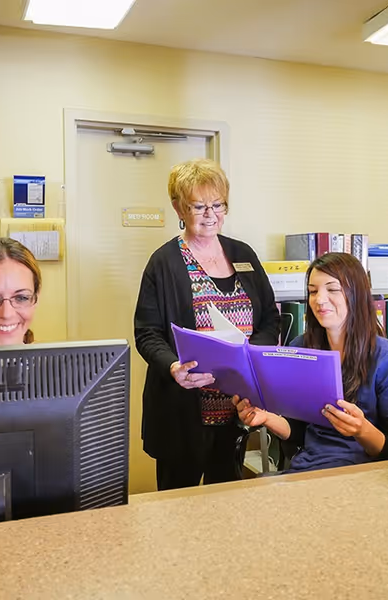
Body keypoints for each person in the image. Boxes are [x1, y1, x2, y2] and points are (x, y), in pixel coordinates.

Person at [134, 158, 280, 491]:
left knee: (226, 504)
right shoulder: (164, 263)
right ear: (178, 208)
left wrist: (249, 353)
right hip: (182, 412)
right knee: (177, 507)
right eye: (198, 206)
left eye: (218, 205)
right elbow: (147, 332)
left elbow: (271, 316)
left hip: (235, 409)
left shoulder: (243, 254)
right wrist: (173, 367)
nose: (210, 214)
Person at [233, 252, 388, 472]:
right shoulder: (300, 348)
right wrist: (266, 418)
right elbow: (299, 432)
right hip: (308, 469)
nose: (319, 299)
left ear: (356, 294)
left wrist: (362, 430)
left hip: (365, 475)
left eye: (332, 289)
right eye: (312, 291)